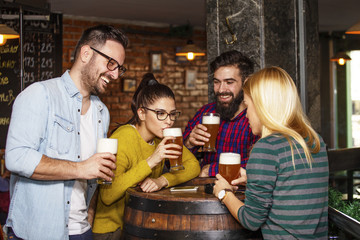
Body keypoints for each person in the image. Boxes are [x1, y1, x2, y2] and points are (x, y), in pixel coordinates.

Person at [4, 25, 129, 240]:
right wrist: (81, 168)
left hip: (81, 231)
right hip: (38, 232)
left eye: (120, 68)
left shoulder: (102, 111)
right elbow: (16, 158)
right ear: (86, 53)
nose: (115, 74)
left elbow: (95, 174)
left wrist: (89, 213)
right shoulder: (40, 94)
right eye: (111, 63)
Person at [213, 66, 329, 239]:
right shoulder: (314, 140)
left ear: (262, 107)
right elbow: (291, 188)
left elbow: (251, 220)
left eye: (247, 105)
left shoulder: (266, 148)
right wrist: (252, 179)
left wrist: (224, 193)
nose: (245, 114)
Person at [92, 73, 200, 240]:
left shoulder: (162, 137)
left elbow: (193, 166)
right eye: (161, 113)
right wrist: (151, 161)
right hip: (112, 231)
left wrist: (161, 180)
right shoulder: (124, 137)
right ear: (141, 113)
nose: (169, 121)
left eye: (172, 114)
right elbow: (107, 196)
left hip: (141, 226)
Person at [183, 50, 259, 177]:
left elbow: (258, 165)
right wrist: (189, 143)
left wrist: (211, 170)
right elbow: (174, 163)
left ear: (245, 83)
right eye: (217, 82)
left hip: (239, 194)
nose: (221, 89)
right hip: (202, 193)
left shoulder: (256, 117)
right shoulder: (206, 112)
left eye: (229, 82)